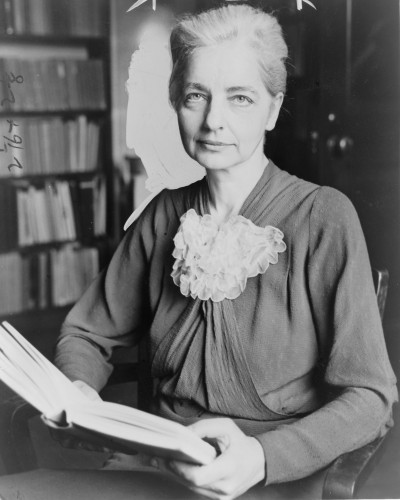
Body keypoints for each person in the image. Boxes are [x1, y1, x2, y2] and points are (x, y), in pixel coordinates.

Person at [0, 4, 397, 500]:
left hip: (275, 477)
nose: (214, 121)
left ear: (273, 109)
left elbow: (371, 395)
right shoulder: (160, 217)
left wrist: (263, 457)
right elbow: (85, 332)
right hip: (162, 468)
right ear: (175, 102)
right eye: (196, 96)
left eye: (241, 99)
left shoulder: (324, 218)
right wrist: (81, 391)